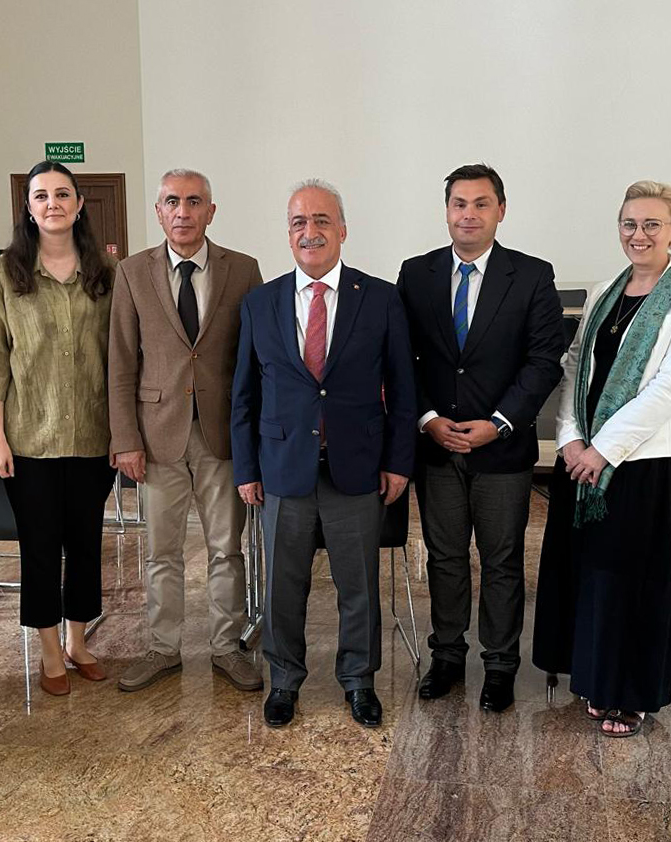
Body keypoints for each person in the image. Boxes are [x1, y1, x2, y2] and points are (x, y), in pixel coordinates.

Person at [533, 180, 671, 736]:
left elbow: (670, 388)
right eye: (630, 224)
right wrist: (570, 439)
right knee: (592, 575)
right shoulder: (602, 293)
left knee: (633, 582)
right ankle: (596, 678)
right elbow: (575, 368)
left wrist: (604, 449)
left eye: (651, 225)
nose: (639, 235)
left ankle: (630, 693)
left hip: (646, 466)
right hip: (583, 460)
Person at [231, 179, 416, 728]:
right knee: (282, 587)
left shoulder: (380, 298)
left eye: (321, 221)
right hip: (282, 468)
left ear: (342, 230)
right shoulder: (260, 303)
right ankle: (283, 680)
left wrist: (398, 461)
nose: (309, 232)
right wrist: (246, 469)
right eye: (298, 222)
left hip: (355, 468)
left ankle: (359, 680)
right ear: (288, 233)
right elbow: (244, 395)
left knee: (358, 586)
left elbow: (403, 389)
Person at [396, 164, 563, 712]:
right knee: (444, 557)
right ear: (447, 211)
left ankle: (499, 664)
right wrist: (426, 418)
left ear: (501, 210)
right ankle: (446, 656)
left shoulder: (532, 275)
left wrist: (500, 422)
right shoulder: (415, 274)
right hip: (437, 444)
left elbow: (543, 362)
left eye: (481, 204)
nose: (469, 214)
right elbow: (402, 358)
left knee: (502, 560)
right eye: (459, 204)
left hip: (503, 448)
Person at [0, 161, 117, 696]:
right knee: (41, 547)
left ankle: (78, 641)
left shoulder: (106, 274)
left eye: (63, 194)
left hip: (94, 436)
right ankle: (49, 651)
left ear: (79, 204)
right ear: (28, 208)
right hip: (29, 440)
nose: (53, 203)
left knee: (87, 544)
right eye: (42, 195)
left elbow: (122, 357)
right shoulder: (4, 276)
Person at [107, 169, 264, 693]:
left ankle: (227, 647)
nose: (183, 211)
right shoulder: (132, 272)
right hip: (157, 436)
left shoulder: (243, 269)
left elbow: (257, 359)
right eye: (172, 202)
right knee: (162, 551)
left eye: (194, 202)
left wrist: (256, 438)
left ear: (210, 212)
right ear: (158, 212)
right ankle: (162, 647)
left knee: (226, 548)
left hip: (223, 433)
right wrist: (125, 439)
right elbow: (121, 362)